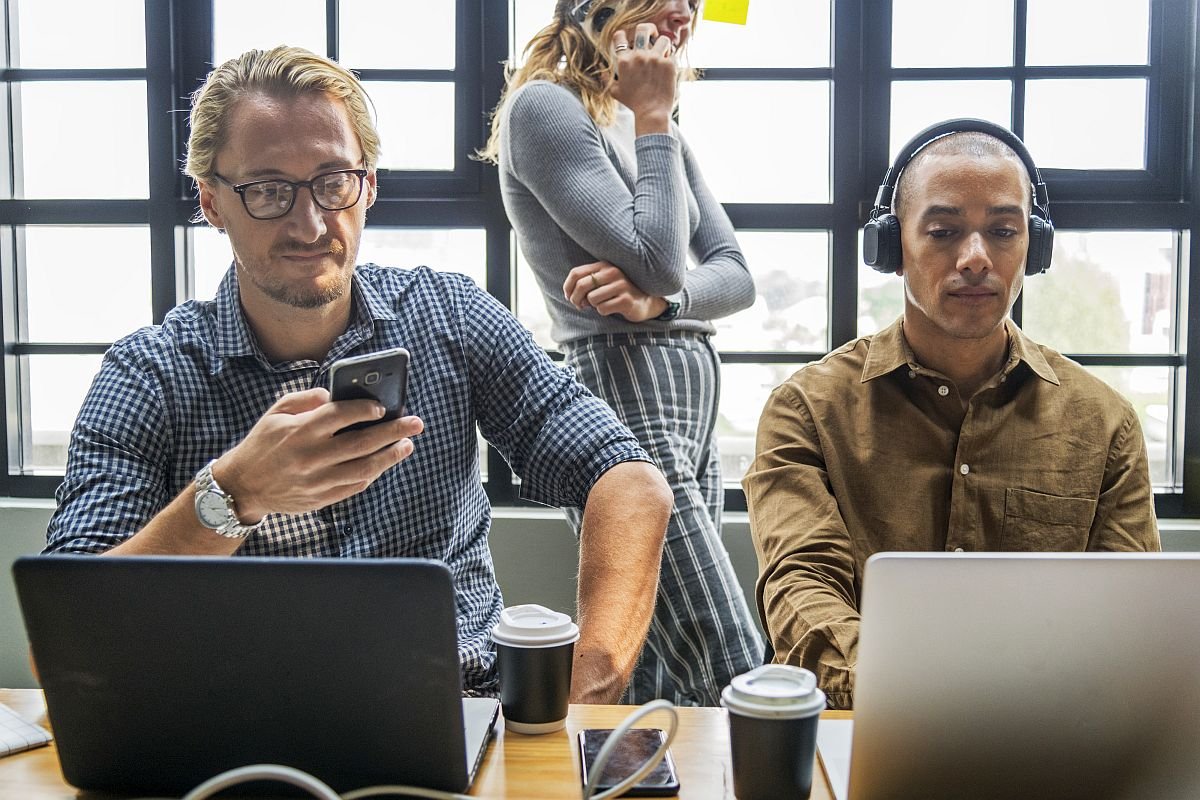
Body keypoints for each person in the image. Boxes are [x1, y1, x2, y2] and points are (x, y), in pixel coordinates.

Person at [44, 45, 674, 704]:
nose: (310, 221)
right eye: (266, 190)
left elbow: (628, 479)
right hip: (237, 729)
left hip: (458, 711)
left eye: (333, 180)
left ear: (368, 185)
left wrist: (591, 679)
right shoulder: (148, 373)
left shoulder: (448, 317)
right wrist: (229, 497)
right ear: (211, 203)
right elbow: (63, 636)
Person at [743, 120, 1161, 710]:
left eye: (1003, 232)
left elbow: (1129, 616)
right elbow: (802, 588)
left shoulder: (1105, 423)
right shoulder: (806, 410)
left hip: (1046, 735)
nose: (974, 258)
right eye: (943, 232)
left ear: (1032, 249)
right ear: (892, 249)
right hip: (864, 725)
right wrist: (915, 695)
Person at [480, 0, 763, 706]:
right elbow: (664, 257)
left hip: (690, 391)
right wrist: (656, 118)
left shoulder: (650, 128)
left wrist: (661, 304)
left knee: (665, 670)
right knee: (727, 654)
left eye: (693, 3)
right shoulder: (545, 109)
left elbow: (735, 274)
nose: (683, 10)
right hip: (623, 380)